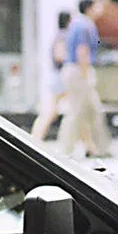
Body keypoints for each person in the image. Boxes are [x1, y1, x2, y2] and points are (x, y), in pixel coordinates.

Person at [57, 0, 112, 159]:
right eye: (97, 6)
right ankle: (63, 151)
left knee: (94, 110)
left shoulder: (79, 24)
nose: (101, 9)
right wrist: (86, 74)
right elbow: (82, 50)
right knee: (76, 111)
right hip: (79, 72)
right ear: (89, 8)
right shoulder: (84, 25)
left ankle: (101, 148)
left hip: (76, 71)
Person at [30, 10, 72, 142]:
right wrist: (72, 59)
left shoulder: (60, 35)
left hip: (59, 77)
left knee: (73, 110)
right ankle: (35, 138)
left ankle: (90, 145)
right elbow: (59, 56)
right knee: (51, 112)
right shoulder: (63, 36)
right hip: (61, 77)